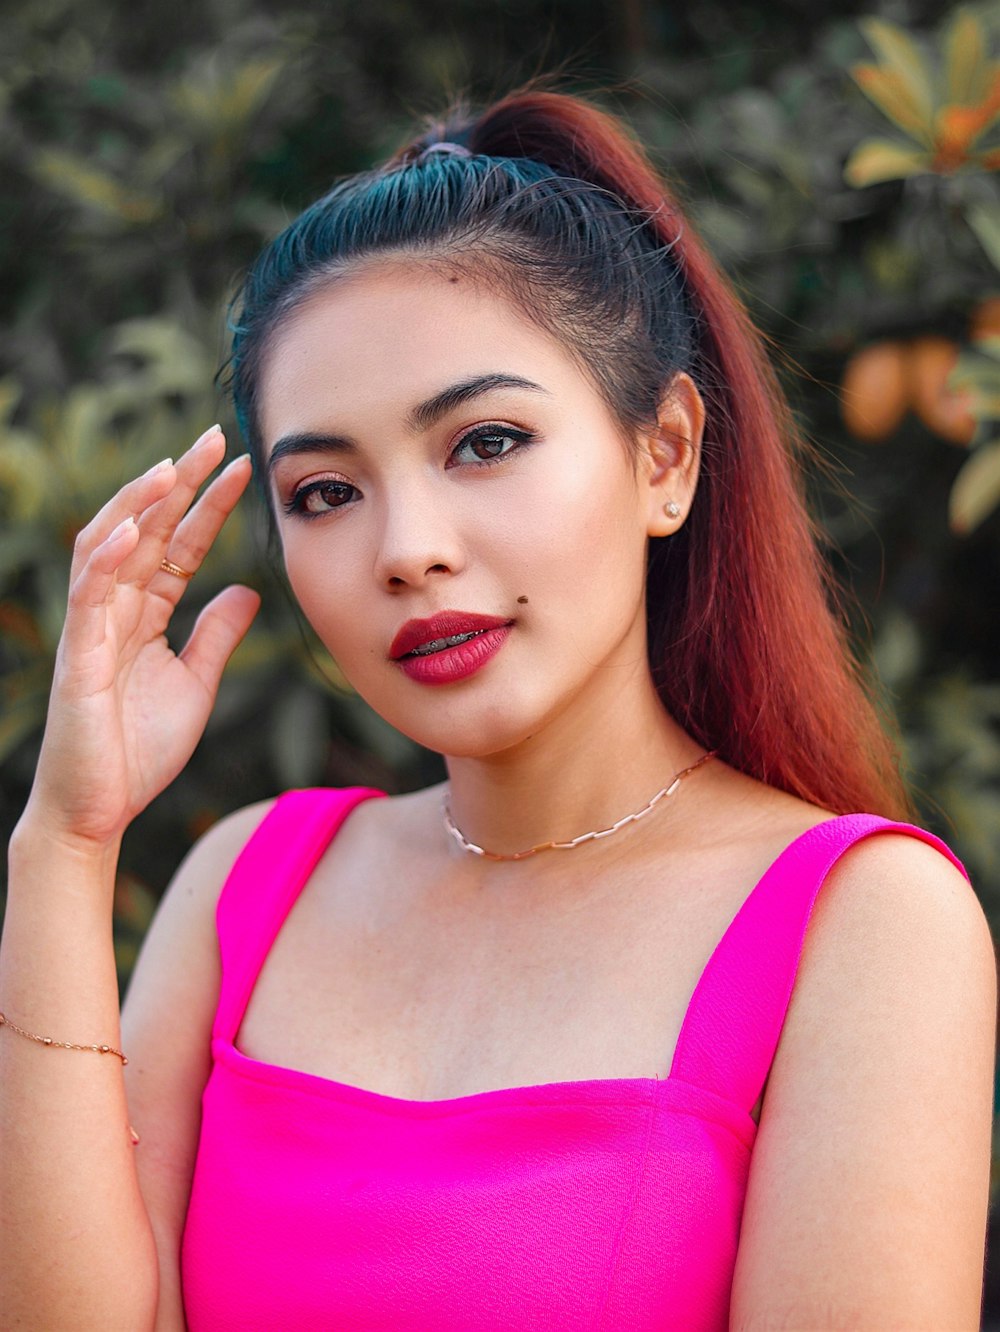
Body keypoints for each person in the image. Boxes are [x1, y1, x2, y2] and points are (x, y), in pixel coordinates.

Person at [1, 86, 995, 1331]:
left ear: (665, 455)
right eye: (324, 494)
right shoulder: (246, 886)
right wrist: (65, 843)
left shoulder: (862, 923)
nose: (406, 551)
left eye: (483, 442)